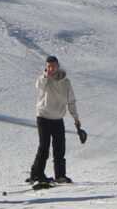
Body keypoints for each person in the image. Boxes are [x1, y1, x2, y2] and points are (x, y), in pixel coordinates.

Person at [29, 56, 83, 185]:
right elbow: (38, 85)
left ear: (58, 66)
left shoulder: (66, 82)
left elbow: (71, 101)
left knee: (59, 148)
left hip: (58, 118)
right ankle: (37, 175)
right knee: (44, 147)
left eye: (53, 66)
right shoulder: (45, 79)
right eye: (48, 67)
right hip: (43, 117)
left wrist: (76, 118)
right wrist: (45, 76)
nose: (51, 69)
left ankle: (60, 176)